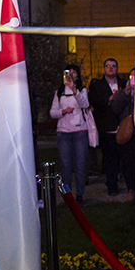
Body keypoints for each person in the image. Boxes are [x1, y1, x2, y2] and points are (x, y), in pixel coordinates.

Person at [48, 65, 90, 202]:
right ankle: (67, 195)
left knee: (80, 164)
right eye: (68, 73)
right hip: (64, 132)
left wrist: (74, 89)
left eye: (74, 73)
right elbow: (52, 112)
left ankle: (80, 195)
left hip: (80, 131)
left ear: (78, 76)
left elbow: (85, 104)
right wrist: (63, 112)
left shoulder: (81, 90)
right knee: (65, 165)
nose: (71, 76)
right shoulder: (59, 92)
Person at [110, 68, 135, 202]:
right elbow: (115, 109)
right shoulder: (123, 93)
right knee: (128, 163)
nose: (133, 79)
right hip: (127, 132)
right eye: (131, 76)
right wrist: (125, 95)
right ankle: (131, 190)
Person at [88, 58, 122, 196]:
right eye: (108, 66)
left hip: (123, 125)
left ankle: (130, 185)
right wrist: (109, 99)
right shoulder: (98, 85)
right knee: (109, 157)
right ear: (104, 69)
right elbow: (94, 101)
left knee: (124, 157)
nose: (111, 68)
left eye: (113, 66)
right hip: (106, 127)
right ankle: (112, 185)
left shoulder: (124, 83)